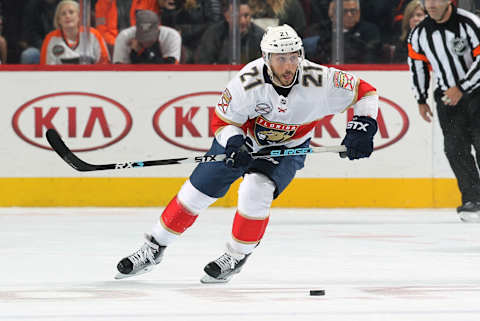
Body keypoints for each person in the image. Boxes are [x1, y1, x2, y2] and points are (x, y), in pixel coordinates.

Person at [115, 24, 379, 283]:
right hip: (244, 141)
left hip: (288, 147)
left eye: (293, 57)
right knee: (195, 194)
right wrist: (234, 144)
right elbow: (222, 122)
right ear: (266, 58)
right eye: (280, 58)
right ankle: (153, 248)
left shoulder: (320, 80)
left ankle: (236, 255)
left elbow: (365, 92)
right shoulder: (246, 82)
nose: (288, 66)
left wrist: (362, 128)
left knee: (256, 189)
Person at [408, 0, 480, 222]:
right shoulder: (419, 34)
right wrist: (421, 98)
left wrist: (462, 87)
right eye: (427, 0)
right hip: (447, 98)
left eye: (437, 0)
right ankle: (472, 200)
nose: (431, 4)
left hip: (477, 92)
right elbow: (417, 66)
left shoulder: (470, 23)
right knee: (454, 148)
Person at [303, 0, 381, 64]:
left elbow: (371, 57)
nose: (349, 15)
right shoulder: (318, 30)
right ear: (332, 14)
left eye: (353, 11)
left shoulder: (369, 31)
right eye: (344, 11)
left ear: (359, 13)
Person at [40, 0, 110, 64]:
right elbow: (45, 69)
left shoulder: (94, 35)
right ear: (58, 20)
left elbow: (105, 63)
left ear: (79, 16)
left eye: (71, 12)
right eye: (63, 14)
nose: (67, 16)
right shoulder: (50, 39)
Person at [194, 0, 264, 64]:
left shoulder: (260, 35)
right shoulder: (214, 34)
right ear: (227, 17)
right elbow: (203, 63)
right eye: (238, 16)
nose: (243, 21)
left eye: (246, 15)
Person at [113, 9, 181, 64]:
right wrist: (133, 53)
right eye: (142, 38)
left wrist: (141, 53)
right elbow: (119, 71)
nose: (146, 42)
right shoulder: (124, 37)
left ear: (158, 29)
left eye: (150, 39)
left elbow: (170, 69)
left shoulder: (171, 36)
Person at [94, 0, 159, 53]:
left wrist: (140, 42)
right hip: (112, 49)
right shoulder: (103, 2)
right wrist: (119, 46)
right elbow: (101, 29)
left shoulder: (149, 1)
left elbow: (153, 27)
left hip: (142, 48)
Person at [19, 0, 59, 64]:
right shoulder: (33, 5)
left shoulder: (66, 4)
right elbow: (31, 32)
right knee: (28, 55)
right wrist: (44, 48)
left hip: (61, 45)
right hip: (40, 46)